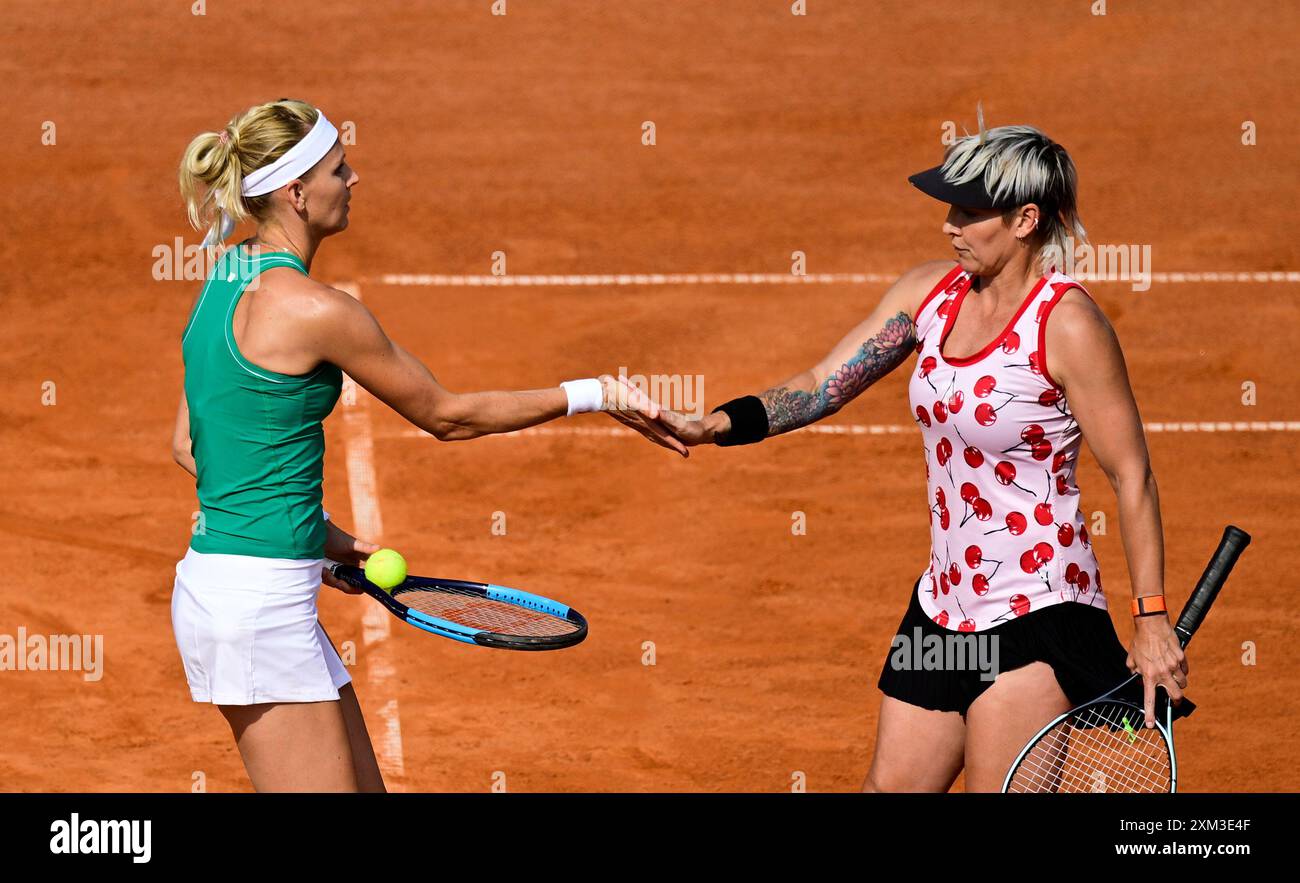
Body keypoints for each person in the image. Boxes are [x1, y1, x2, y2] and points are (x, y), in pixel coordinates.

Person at [645, 123, 1189, 792]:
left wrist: (1152, 617)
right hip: (942, 605)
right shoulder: (930, 296)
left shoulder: (1068, 325)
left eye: (968, 211)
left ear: (1025, 220)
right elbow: (822, 385)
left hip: (1037, 608)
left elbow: (1131, 472)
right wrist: (715, 425)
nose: (949, 226)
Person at [171, 98, 682, 792]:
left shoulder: (223, 276)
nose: (354, 179)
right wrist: (592, 392)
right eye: (338, 169)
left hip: (238, 590)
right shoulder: (320, 311)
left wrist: (317, 541)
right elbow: (449, 415)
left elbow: (192, 446)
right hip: (255, 609)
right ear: (297, 193)